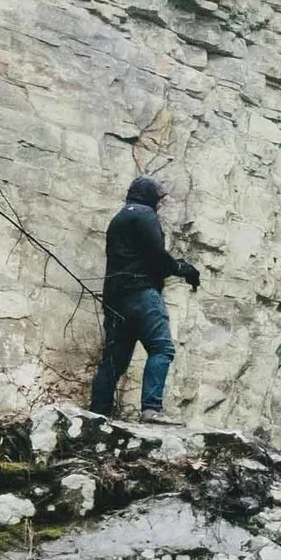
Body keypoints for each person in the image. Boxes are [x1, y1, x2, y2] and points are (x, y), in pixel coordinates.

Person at [90, 175, 201, 423]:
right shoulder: (145, 215)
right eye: (159, 198)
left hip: (115, 298)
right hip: (141, 293)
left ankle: (97, 415)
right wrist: (184, 269)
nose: (160, 203)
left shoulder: (119, 218)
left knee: (113, 360)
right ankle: (151, 410)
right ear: (148, 195)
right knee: (161, 348)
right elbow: (157, 256)